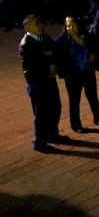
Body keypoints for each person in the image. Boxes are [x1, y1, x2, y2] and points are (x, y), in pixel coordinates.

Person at [20, 14, 66, 152]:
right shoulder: (26, 44)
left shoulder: (45, 38)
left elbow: (57, 52)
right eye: (36, 24)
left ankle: (53, 134)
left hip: (49, 80)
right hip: (38, 83)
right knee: (41, 114)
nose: (40, 26)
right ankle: (39, 142)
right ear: (27, 27)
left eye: (40, 23)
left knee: (55, 107)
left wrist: (49, 55)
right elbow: (35, 63)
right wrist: (49, 59)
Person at [56, 16, 99, 133]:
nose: (70, 28)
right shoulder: (62, 41)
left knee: (92, 96)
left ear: (78, 25)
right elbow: (59, 58)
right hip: (73, 76)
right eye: (68, 26)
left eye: (72, 25)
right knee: (74, 100)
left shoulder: (87, 37)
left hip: (88, 72)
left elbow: (96, 49)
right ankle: (76, 124)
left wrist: (93, 56)